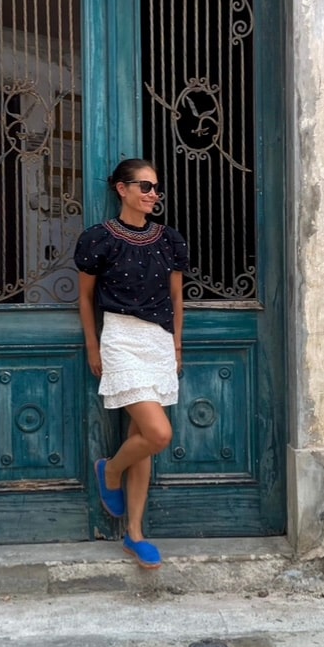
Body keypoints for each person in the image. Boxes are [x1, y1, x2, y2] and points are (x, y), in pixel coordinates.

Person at [74, 158, 189, 569]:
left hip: (158, 341)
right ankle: (110, 470)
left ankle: (135, 534)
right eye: (144, 186)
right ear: (121, 189)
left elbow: (177, 299)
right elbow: (85, 298)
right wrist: (93, 346)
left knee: (144, 438)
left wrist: (175, 346)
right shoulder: (98, 239)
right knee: (158, 433)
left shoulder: (169, 239)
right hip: (120, 338)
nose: (152, 194)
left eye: (156, 188)